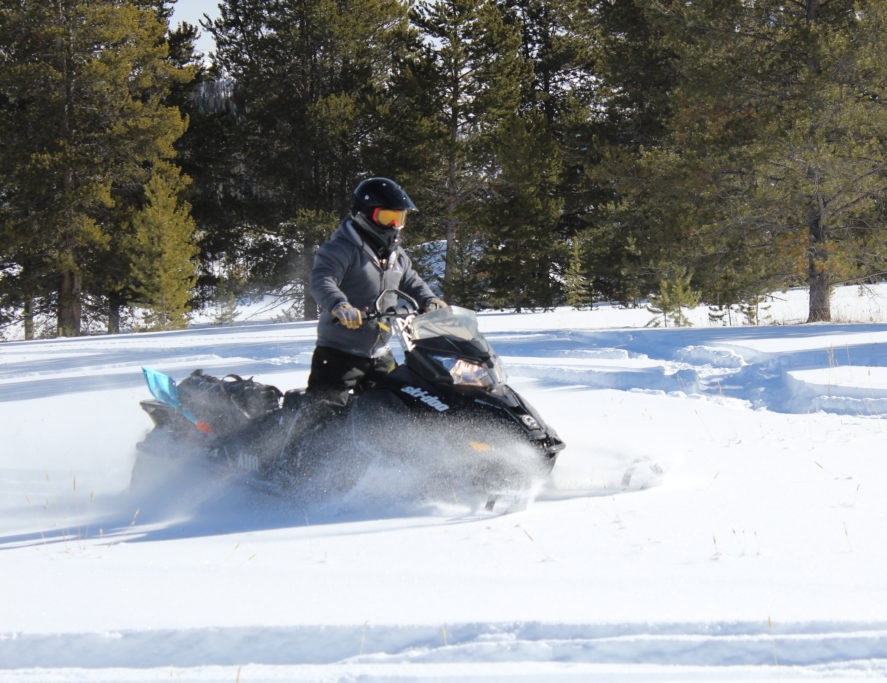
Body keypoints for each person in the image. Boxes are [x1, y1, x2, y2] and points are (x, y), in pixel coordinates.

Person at [306, 177, 445, 407]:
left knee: (395, 407)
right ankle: (297, 441)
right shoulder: (341, 248)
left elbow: (412, 281)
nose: (394, 226)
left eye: (399, 218)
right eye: (388, 217)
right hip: (339, 353)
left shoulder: (396, 255)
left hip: (380, 352)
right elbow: (322, 279)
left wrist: (430, 300)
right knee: (323, 416)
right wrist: (340, 305)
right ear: (364, 214)